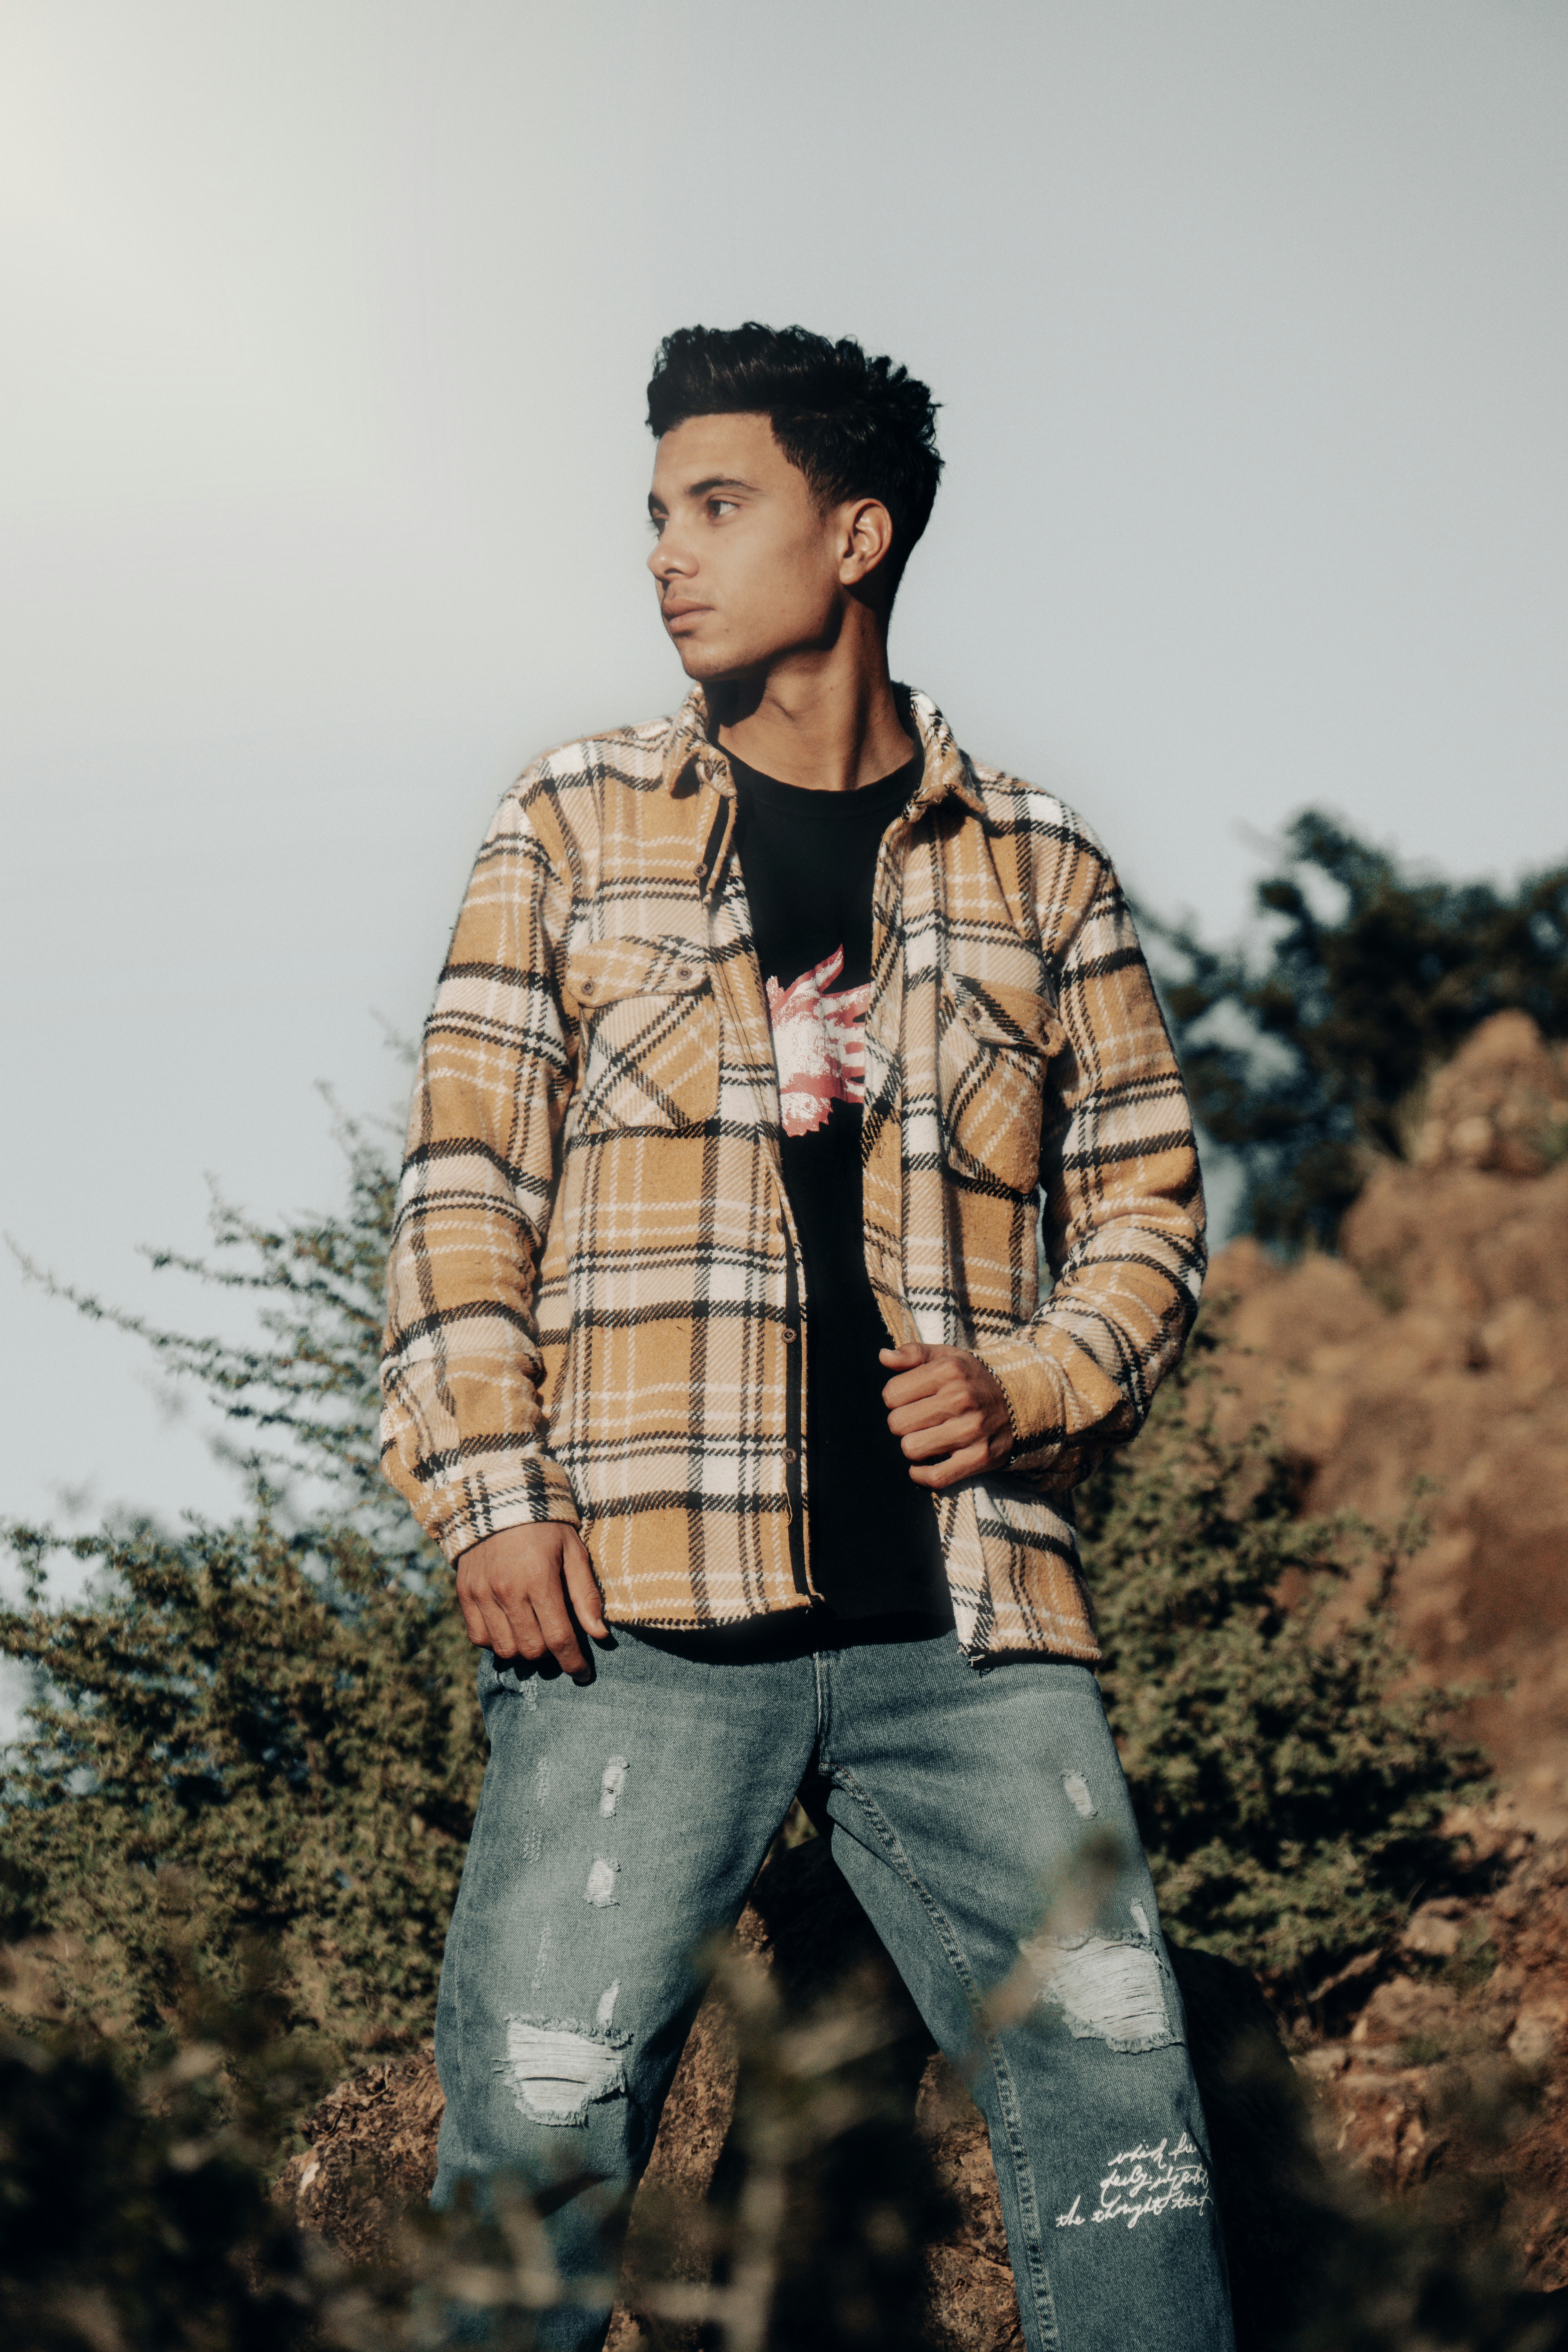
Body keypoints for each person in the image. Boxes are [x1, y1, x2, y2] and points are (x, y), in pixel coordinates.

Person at [380, 322, 1233, 2351]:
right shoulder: (572, 823)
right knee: (543, 2128)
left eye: (718, 505)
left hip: (971, 1632)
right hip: (638, 1614)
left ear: (854, 537)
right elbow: (459, 1186)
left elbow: (1149, 1206)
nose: (668, 556)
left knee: (1126, 2117)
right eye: (658, 514)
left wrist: (1032, 1383)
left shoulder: (1037, 866)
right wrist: (491, 1493)